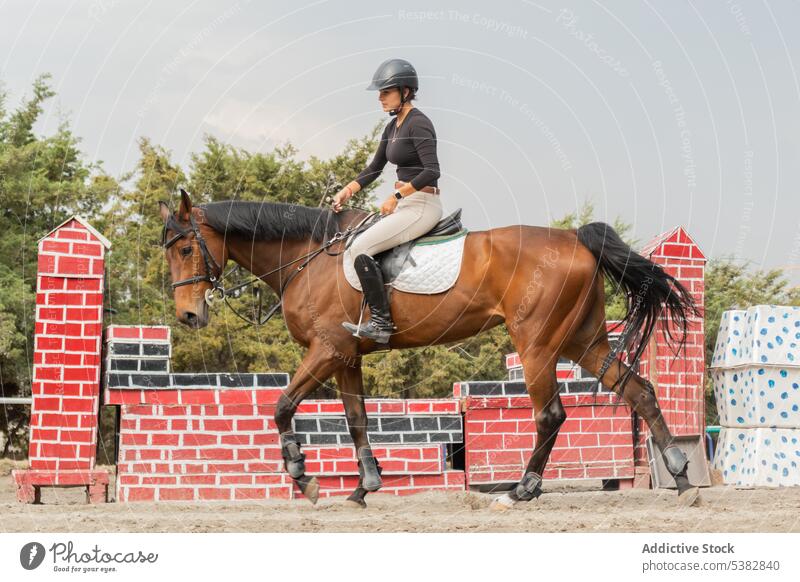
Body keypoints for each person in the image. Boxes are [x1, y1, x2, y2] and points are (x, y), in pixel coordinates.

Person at [332, 58, 444, 343]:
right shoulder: (393, 127)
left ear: (405, 91)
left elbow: (433, 171)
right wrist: (348, 190)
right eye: (380, 93)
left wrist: (396, 196)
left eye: (385, 92)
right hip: (406, 205)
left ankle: (381, 323)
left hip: (421, 206)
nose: (380, 98)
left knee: (360, 249)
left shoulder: (419, 124)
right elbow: (374, 168)